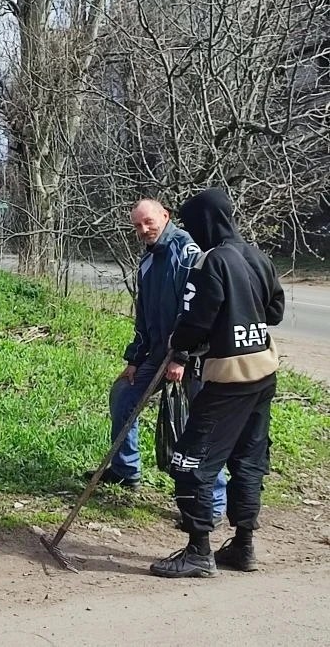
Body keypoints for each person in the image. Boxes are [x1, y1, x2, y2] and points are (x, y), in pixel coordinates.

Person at [150, 188, 284, 578]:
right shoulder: (258, 257)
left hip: (228, 377)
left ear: (208, 223)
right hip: (264, 370)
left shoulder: (212, 261)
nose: (192, 234)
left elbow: (195, 321)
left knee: (190, 462)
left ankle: (198, 552)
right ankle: (243, 546)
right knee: (249, 458)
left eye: (193, 226)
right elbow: (274, 312)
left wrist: (179, 347)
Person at [85, 199, 228, 520]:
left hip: (192, 357)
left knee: (198, 424)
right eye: (137, 225)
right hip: (157, 355)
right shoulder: (148, 259)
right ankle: (125, 470)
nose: (143, 230)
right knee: (123, 395)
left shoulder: (187, 252)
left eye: (148, 222)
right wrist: (135, 359)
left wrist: (181, 356)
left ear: (165, 216)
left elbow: (196, 312)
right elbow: (144, 316)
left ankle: (213, 503)